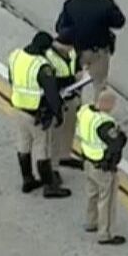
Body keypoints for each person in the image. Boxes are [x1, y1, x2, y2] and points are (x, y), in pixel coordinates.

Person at [7, 32, 70, 198]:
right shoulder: (42, 66)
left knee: (23, 144)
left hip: (18, 108)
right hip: (36, 114)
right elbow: (52, 94)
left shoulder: (16, 55)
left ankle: (27, 179)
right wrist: (58, 113)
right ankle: (50, 186)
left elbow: (11, 79)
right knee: (42, 148)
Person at [54, 0, 125, 98]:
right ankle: (98, 113)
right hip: (99, 51)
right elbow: (119, 22)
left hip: (78, 52)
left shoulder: (71, 3)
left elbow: (59, 27)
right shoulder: (105, 2)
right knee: (100, 84)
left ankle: (75, 109)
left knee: (75, 84)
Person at [76, 90, 127, 245]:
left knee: (92, 194)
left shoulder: (85, 112)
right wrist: (121, 133)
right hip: (102, 167)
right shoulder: (105, 123)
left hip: (88, 161)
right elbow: (116, 143)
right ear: (108, 105)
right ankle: (106, 233)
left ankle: (91, 221)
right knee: (107, 200)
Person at [46, 32, 83, 172]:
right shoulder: (48, 57)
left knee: (69, 129)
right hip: (57, 101)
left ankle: (65, 155)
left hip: (71, 97)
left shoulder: (71, 53)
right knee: (54, 137)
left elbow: (76, 70)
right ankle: (52, 169)